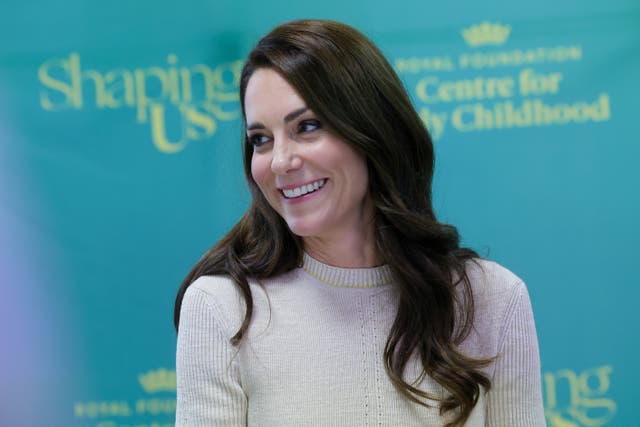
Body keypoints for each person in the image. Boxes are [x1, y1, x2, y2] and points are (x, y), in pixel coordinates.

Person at [174, 19, 545, 427]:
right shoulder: (222, 307)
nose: (280, 161)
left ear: (373, 131)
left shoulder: (491, 300)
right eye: (261, 139)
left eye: (307, 126)